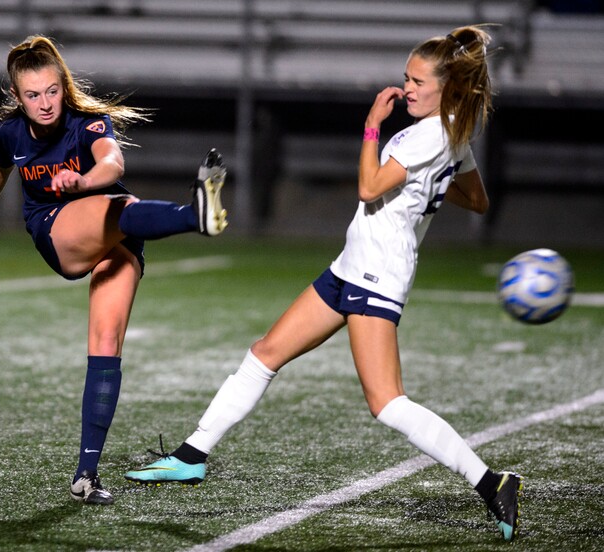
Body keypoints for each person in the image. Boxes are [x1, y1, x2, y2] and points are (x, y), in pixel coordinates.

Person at [125, 25, 524, 541]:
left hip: (376, 272)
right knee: (265, 352)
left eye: (417, 81)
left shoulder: (425, 133)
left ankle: (491, 481)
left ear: (446, 89)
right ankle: (191, 454)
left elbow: (367, 186)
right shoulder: (452, 131)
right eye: (405, 77)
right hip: (350, 265)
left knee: (387, 403)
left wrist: (370, 126)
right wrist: (428, 185)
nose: (407, 89)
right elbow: (477, 199)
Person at [0, 35, 228, 505]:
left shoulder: (87, 123)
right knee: (119, 206)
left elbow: (113, 161)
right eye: (32, 95)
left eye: (51, 91)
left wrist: (83, 180)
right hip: (56, 229)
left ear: (63, 85)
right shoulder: (10, 133)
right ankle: (195, 217)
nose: (44, 103)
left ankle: (85, 475)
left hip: (118, 231)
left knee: (106, 348)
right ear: (16, 96)